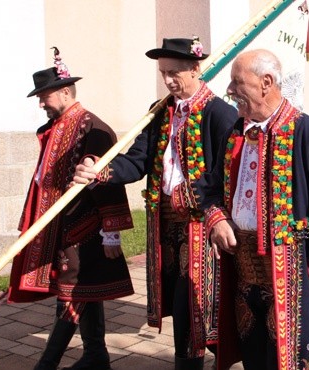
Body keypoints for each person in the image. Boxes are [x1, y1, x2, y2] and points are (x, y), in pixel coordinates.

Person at [73, 37, 238, 369]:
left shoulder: (220, 114)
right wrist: (100, 170)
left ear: (196, 69)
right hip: (166, 228)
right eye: (163, 72)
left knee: (202, 308)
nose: (168, 80)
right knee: (183, 307)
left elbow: (227, 174)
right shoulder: (160, 111)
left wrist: (206, 208)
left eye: (175, 72)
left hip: (202, 228)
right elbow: (137, 161)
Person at [204, 49, 309, 370]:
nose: (229, 91)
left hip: (294, 282)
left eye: (237, 82)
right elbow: (211, 186)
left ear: (266, 83)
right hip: (243, 276)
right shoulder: (236, 132)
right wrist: (216, 219)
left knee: (294, 363)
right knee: (254, 359)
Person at [8, 48, 134, 370]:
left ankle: (47, 363)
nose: (40, 103)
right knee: (85, 291)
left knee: (72, 294)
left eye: (44, 96)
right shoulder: (60, 125)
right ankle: (96, 355)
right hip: (64, 227)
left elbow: (108, 180)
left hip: (87, 228)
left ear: (65, 92)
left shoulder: (94, 128)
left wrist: (112, 233)